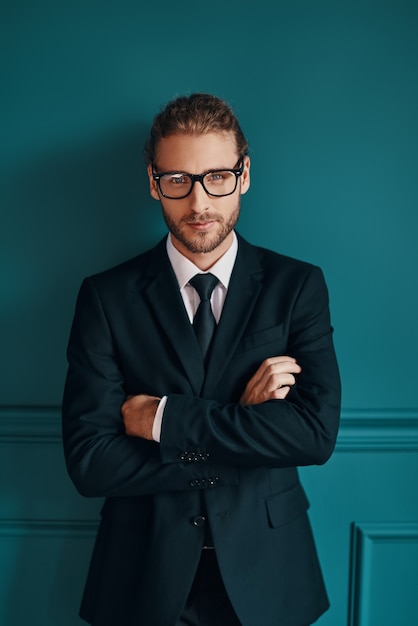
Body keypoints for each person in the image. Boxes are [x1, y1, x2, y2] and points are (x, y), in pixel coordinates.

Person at [62, 92, 341, 626]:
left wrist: (164, 420)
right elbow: (90, 463)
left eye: (217, 177)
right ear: (153, 182)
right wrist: (248, 419)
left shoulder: (297, 286)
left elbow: (314, 436)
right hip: (143, 575)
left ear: (244, 174)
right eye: (177, 180)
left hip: (270, 571)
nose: (198, 203)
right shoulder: (106, 296)